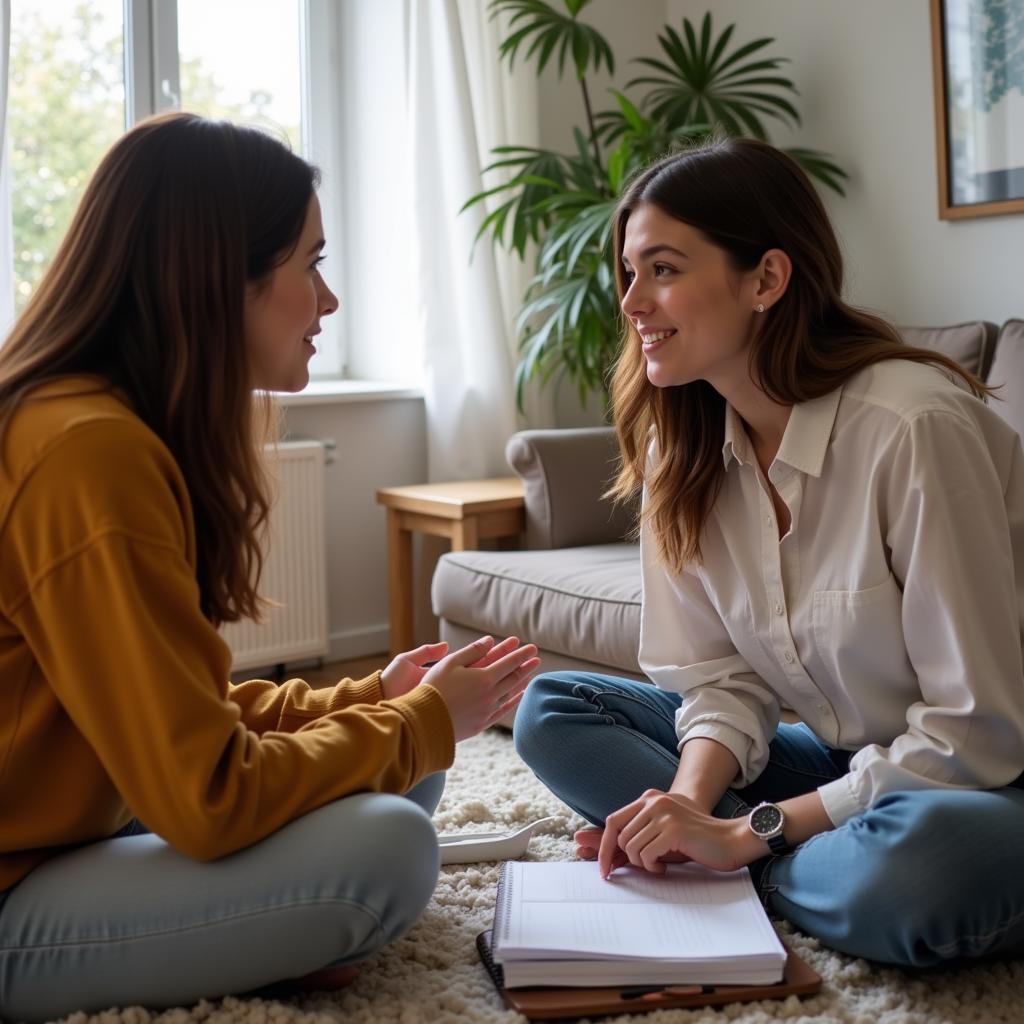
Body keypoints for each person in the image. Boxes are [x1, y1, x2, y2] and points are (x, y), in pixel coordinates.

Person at [0, 111, 539, 1022]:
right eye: (311, 264)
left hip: (74, 814)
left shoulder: (99, 426)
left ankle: (240, 936)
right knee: (389, 849)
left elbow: (176, 720)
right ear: (219, 278)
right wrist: (415, 720)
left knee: (411, 767)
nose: (327, 302)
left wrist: (373, 699)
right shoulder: (87, 454)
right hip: (18, 883)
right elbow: (208, 796)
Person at [514, 135, 1024, 969]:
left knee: (925, 872)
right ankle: (772, 870)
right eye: (629, 272)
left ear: (767, 279)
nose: (633, 301)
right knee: (554, 708)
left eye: (664, 269)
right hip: (850, 760)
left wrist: (752, 833)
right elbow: (719, 680)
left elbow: (979, 732)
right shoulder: (683, 452)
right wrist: (685, 811)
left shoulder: (912, 427)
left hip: (986, 780)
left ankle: (757, 873)